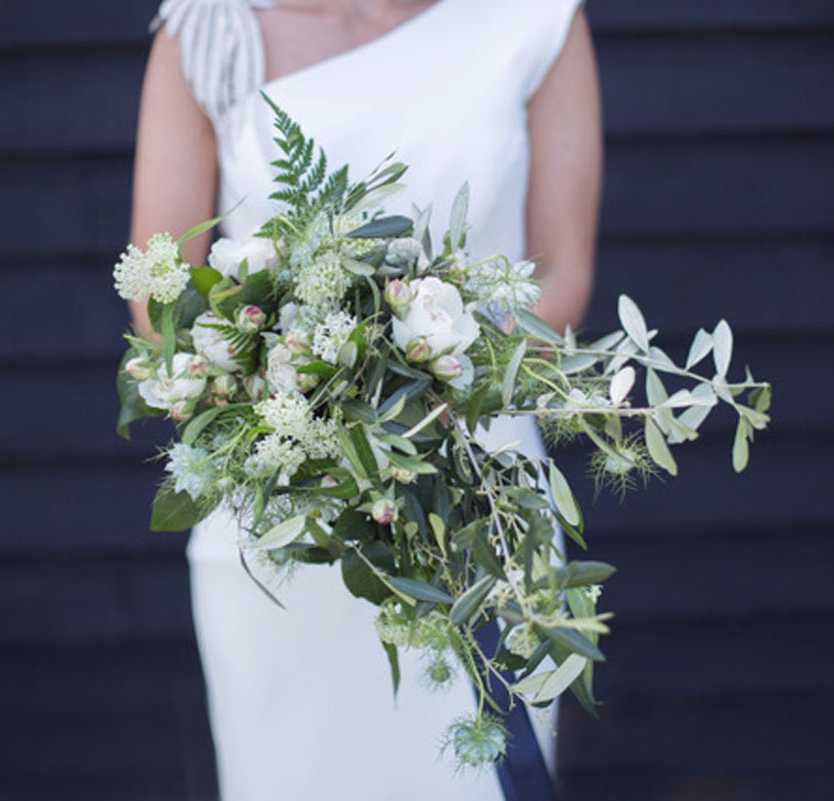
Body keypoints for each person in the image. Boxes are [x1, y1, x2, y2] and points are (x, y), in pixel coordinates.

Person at [126, 0, 601, 798]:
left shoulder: (538, 18)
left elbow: (561, 276)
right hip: (279, 522)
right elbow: (160, 299)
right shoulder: (208, 32)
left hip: (480, 501)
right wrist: (302, 383)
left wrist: (427, 374)